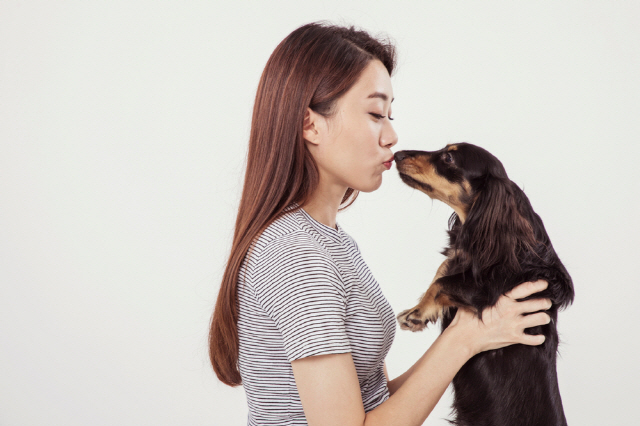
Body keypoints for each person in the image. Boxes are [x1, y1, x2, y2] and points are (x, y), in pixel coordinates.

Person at [209, 22, 552, 426]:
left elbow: (369, 406)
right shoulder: (296, 256)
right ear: (309, 124)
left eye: (391, 114)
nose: (392, 136)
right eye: (375, 113)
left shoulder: (333, 243)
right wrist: (464, 338)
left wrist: (473, 333)